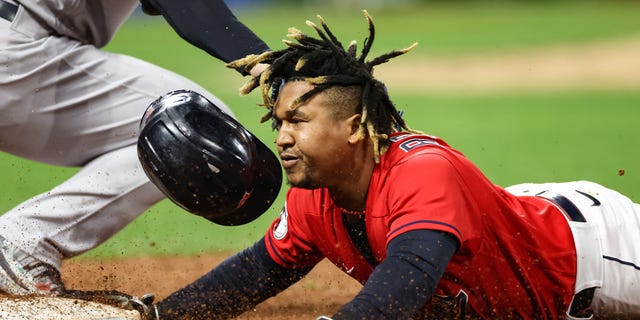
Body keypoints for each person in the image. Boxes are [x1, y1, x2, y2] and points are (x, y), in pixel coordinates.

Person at [138, 11, 640, 319]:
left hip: (593, 252)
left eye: (299, 120)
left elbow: (401, 287)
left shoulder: (422, 174)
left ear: (355, 126)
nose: (283, 138)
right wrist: (159, 317)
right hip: (499, 226)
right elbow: (255, 273)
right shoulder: (314, 195)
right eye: (278, 124)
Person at [0, 0, 270, 296]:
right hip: (17, 55)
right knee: (198, 124)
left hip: (17, 50)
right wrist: (273, 66)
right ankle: (25, 242)